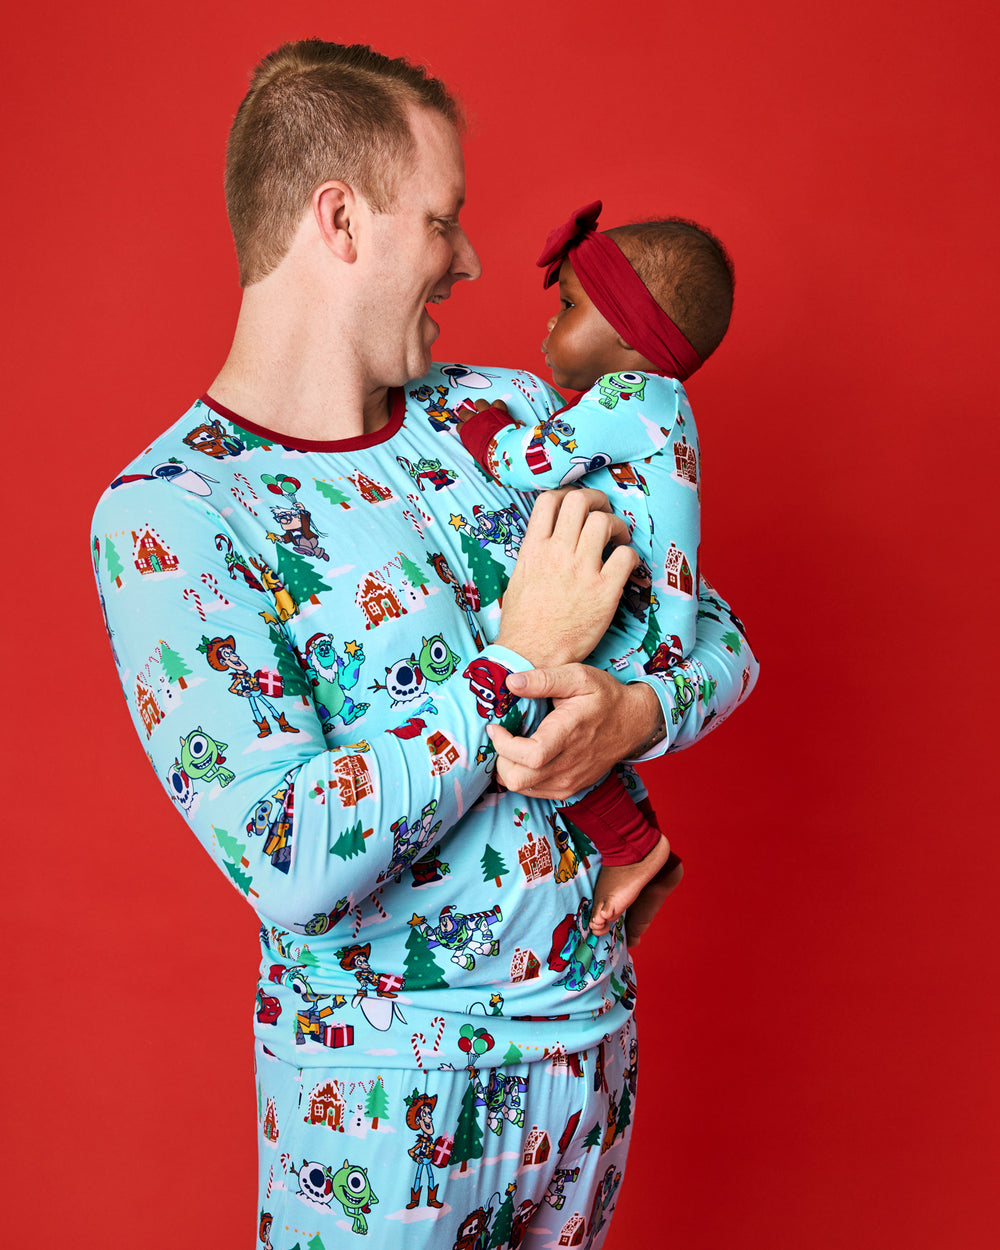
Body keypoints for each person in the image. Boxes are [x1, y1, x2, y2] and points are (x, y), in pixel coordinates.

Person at [90, 40, 758, 1249]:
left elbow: (720, 638)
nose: (473, 258)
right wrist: (510, 658)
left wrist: (634, 712)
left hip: (586, 1060)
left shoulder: (503, 417)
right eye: (443, 220)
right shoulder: (173, 515)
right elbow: (286, 856)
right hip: (385, 1107)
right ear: (339, 219)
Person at [456, 201, 736, 936]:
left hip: (637, 622)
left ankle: (630, 845)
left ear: (628, 334)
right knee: (561, 714)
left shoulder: (623, 398)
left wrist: (489, 432)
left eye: (570, 307)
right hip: (661, 619)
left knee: (530, 701)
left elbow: (534, 459)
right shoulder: (663, 405)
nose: (550, 327)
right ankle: (637, 841)